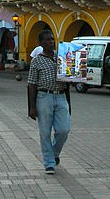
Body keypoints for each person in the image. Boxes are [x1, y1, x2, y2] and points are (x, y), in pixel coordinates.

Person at [27, 30, 71, 175]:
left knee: (64, 130)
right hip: (44, 97)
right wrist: (32, 107)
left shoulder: (62, 57)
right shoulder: (36, 60)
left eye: (52, 39)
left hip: (61, 96)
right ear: (40, 43)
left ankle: (54, 152)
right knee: (45, 132)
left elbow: (70, 77)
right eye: (46, 40)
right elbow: (32, 84)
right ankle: (49, 163)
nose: (50, 42)